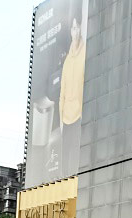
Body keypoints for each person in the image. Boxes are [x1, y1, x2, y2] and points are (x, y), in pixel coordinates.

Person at [59, 13, 86, 170]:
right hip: (66, 118)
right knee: (65, 165)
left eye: (77, 27)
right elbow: (62, 92)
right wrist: (61, 118)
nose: (75, 31)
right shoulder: (67, 61)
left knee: (76, 163)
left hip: (78, 116)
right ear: (70, 30)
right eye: (73, 28)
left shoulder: (85, 53)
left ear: (81, 29)